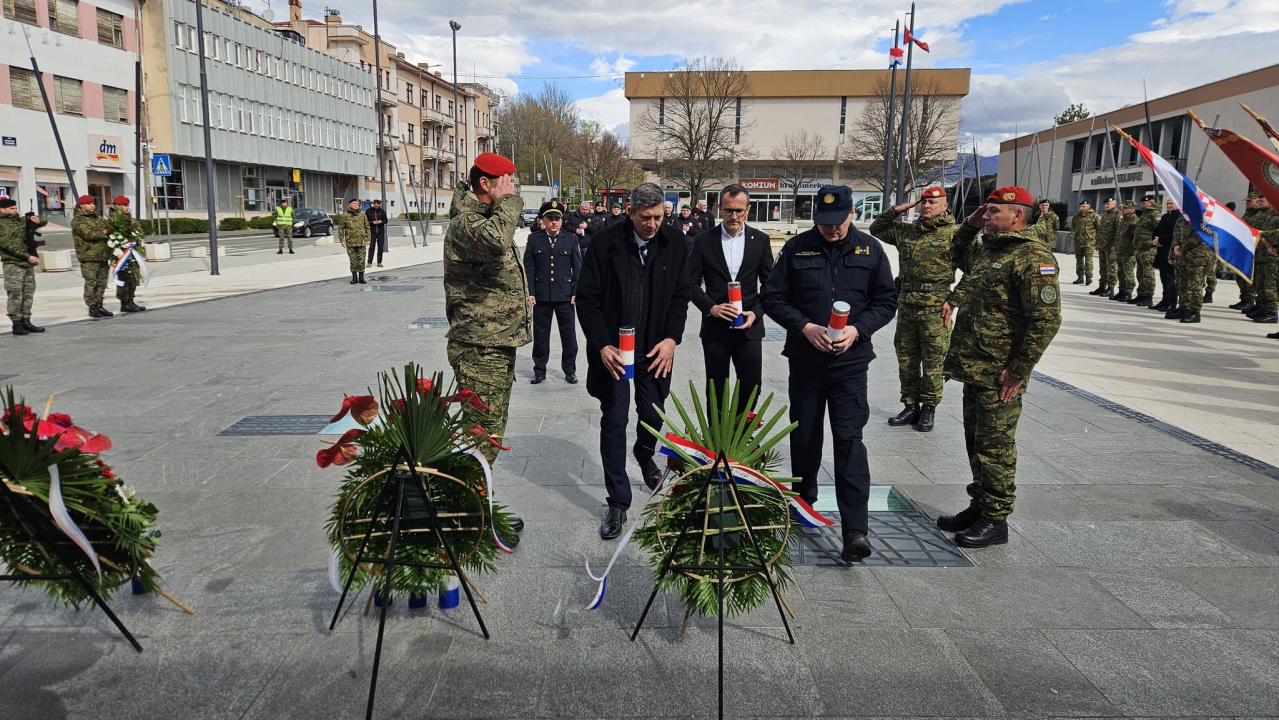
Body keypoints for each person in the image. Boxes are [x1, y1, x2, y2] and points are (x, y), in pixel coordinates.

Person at [762, 185, 899, 562]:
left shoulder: (871, 250)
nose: (831, 230)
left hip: (850, 365)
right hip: (806, 361)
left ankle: (855, 529)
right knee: (804, 436)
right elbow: (772, 297)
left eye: (837, 223)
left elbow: (887, 300)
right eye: (823, 224)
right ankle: (803, 504)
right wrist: (805, 326)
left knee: (849, 440)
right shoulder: (796, 248)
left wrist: (859, 329)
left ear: (852, 213)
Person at [937, 187, 1062, 548]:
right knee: (976, 442)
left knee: (996, 447)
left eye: (993, 212)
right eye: (986, 212)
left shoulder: (1032, 257)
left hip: (1000, 374)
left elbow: (1045, 320)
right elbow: (955, 251)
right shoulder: (990, 250)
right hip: (975, 368)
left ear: (1017, 216)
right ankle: (980, 505)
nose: (987, 217)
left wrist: (1018, 370)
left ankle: (996, 518)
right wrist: (970, 224)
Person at [576, 182, 691, 540]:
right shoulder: (604, 242)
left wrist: (672, 339)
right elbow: (588, 298)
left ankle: (644, 453)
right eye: (646, 218)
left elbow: (680, 297)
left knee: (654, 414)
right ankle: (618, 502)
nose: (653, 224)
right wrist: (601, 346)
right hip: (614, 350)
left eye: (658, 217)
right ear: (630, 212)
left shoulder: (675, 244)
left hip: (654, 348)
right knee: (614, 419)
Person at [444, 152, 529, 535]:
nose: (511, 188)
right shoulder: (467, 222)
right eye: (506, 181)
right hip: (480, 348)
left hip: (493, 344)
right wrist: (511, 203)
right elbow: (496, 243)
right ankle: (467, 519)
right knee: (480, 436)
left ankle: (476, 510)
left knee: (488, 435)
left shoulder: (483, 217)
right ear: (486, 184)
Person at [869, 186, 957, 432]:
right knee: (906, 357)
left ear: (945, 206)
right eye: (924, 201)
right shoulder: (908, 232)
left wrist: (955, 299)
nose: (927, 205)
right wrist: (898, 209)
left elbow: (975, 270)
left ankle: (929, 407)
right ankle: (910, 404)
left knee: (932, 360)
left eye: (933, 202)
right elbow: (878, 228)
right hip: (907, 304)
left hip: (936, 307)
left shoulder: (955, 234)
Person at [688, 184, 774, 414]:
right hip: (716, 328)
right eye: (728, 210)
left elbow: (771, 285)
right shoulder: (704, 240)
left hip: (749, 328)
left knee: (752, 385)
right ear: (719, 209)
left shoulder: (761, 240)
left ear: (748, 209)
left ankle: (739, 435)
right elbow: (690, 283)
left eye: (739, 210)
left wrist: (756, 312)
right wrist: (711, 308)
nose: (733, 216)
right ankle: (717, 441)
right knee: (716, 388)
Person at [523, 200, 580, 385]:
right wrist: (531, 291)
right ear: (544, 221)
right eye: (550, 219)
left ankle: (570, 370)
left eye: (557, 219)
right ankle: (539, 371)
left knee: (569, 335)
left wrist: (575, 291)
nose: (553, 222)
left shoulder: (571, 239)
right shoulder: (534, 239)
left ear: (562, 221)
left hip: (564, 295)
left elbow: (578, 268)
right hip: (541, 295)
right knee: (541, 336)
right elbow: (528, 268)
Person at [1, 198, 43, 336]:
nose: (15, 210)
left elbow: (37, 225)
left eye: (15, 208)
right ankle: (16, 323)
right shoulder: (2, 224)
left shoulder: (20, 221)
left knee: (28, 293)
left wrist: (36, 220)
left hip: (27, 263)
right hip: (13, 263)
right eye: (11, 208)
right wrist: (27, 256)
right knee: (15, 294)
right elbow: (7, 245)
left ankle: (26, 320)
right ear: (2, 209)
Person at [72, 195, 112, 318]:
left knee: (101, 282)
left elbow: (108, 228)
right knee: (91, 282)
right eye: (88, 203)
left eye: (93, 203)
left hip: (102, 255)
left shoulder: (98, 218)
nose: (92, 205)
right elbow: (88, 235)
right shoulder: (78, 220)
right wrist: (104, 233)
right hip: (88, 255)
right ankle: (92, 306)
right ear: (81, 206)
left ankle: (99, 304)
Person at [1170, 212, 1214, 323]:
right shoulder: (1182, 215)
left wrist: (1182, 248)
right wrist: (1174, 248)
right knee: (1182, 284)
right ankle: (1184, 308)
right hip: (1182, 256)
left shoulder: (1201, 215)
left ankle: (1195, 312)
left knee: (1195, 285)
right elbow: (1176, 233)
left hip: (1197, 256)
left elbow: (1199, 234)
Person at [110, 196, 146, 313]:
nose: (127, 207)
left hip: (132, 253)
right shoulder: (113, 220)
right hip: (122, 254)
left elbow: (138, 232)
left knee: (132, 278)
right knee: (124, 278)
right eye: (125, 205)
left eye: (127, 205)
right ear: (117, 206)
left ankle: (131, 300)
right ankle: (124, 302)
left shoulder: (130, 219)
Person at [1250, 196, 1279, 324]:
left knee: (1270, 286)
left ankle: (1272, 312)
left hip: (1273, 257)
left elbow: (1275, 233)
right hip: (1262, 254)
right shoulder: (1270, 215)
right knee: (1260, 284)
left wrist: (1261, 233)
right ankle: (1264, 307)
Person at [1232, 192, 1263, 312]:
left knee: (1252, 278)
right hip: (1245, 248)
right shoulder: (1249, 214)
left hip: (1255, 250)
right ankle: (1244, 298)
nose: (1247, 203)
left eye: (1250, 201)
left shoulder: (1258, 215)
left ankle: (1250, 299)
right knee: (1241, 277)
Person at [1131, 194, 1161, 306]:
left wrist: (1153, 242)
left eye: (1144, 203)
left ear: (1151, 203)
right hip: (1140, 248)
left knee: (1148, 274)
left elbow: (1158, 230)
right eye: (1141, 204)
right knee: (1140, 273)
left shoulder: (1155, 214)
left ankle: (1148, 297)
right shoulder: (1144, 215)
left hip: (1149, 249)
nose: (1142, 206)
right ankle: (1141, 295)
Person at [1151, 199, 1180, 313]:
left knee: (1171, 278)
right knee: (1164, 278)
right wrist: (1155, 239)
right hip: (1161, 251)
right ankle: (1165, 300)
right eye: (1167, 203)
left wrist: (1161, 239)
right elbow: (1156, 230)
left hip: (1170, 250)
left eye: (1171, 203)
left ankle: (1172, 303)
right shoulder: (1165, 216)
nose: (1168, 205)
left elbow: (1175, 233)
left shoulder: (1179, 217)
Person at [1090, 198, 1121, 298]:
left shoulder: (1118, 215)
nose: (1106, 206)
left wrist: (1115, 245)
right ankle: (1102, 286)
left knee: (1111, 268)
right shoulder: (1104, 216)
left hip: (1111, 247)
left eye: (1108, 204)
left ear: (1115, 204)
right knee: (1102, 268)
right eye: (1105, 204)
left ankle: (1111, 288)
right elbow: (1100, 231)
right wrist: (1097, 242)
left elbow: (1119, 232)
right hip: (1103, 246)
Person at [337, 198, 370, 285]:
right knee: (353, 260)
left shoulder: (362, 215)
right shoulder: (345, 216)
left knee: (361, 260)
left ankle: (362, 277)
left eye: (357, 203)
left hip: (361, 241)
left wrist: (368, 239)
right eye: (354, 203)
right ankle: (354, 277)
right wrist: (342, 240)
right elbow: (341, 228)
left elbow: (367, 227)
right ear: (349, 205)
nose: (356, 205)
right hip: (350, 242)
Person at [1112, 200, 1139, 303]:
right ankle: (1122, 291)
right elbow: (1119, 235)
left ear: (1132, 209)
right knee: (1120, 272)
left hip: (1129, 252)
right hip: (1120, 251)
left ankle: (1128, 292)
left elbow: (1135, 238)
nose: (1122, 210)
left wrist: (1132, 250)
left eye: (1125, 208)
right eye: (1122, 208)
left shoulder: (1134, 221)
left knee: (1128, 273)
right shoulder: (1124, 220)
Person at [1070, 200, 1099, 285]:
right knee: (1079, 260)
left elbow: (1099, 229)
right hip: (1078, 242)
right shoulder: (1076, 216)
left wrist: (1097, 241)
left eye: (1084, 206)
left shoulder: (1094, 216)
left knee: (1088, 260)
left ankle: (1089, 277)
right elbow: (1073, 226)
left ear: (1089, 206)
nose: (1082, 208)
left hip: (1089, 242)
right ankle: (1080, 277)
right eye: (1081, 206)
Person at [365, 199, 388, 268]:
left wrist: (380, 221)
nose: (377, 207)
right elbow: (366, 221)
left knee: (380, 248)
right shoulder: (368, 211)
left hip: (380, 232)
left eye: (378, 206)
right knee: (371, 248)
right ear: (374, 204)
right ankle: (369, 262)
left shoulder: (382, 211)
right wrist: (372, 222)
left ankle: (379, 262)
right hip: (372, 232)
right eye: (375, 206)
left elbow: (385, 220)